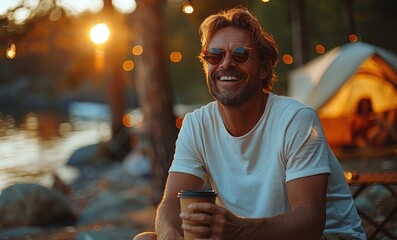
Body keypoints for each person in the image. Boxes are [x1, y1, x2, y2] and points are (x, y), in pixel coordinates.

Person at [134, 7, 365, 240]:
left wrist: (239, 230)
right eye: (214, 55)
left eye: (240, 54)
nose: (225, 64)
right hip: (245, 236)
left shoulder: (295, 119)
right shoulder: (196, 125)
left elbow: (310, 223)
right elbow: (171, 206)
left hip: (329, 236)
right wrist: (168, 234)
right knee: (145, 239)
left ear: (264, 68)